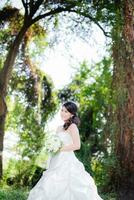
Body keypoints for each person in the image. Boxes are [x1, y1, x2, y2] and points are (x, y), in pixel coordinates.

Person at [27, 101, 103, 200]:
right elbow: (56, 141)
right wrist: (52, 146)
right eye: (62, 110)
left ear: (72, 114)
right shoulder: (59, 128)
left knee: (68, 183)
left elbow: (77, 145)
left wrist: (59, 149)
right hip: (56, 159)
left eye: (66, 111)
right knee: (50, 182)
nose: (62, 113)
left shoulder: (73, 127)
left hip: (67, 160)